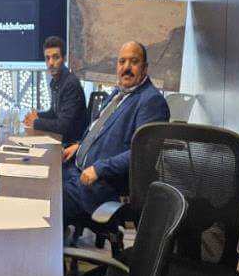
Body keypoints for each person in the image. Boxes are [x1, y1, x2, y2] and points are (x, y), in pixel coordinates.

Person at [62, 41, 170, 226]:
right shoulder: (119, 93)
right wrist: (80, 146)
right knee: (40, 180)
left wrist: (99, 169)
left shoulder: (151, 101)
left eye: (133, 62)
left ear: (144, 68)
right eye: (122, 62)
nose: (126, 67)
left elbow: (144, 154)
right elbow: (99, 129)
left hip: (98, 186)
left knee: (47, 200)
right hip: (76, 170)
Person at [23, 36, 88, 144]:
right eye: (47, 58)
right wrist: (36, 116)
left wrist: (36, 122)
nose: (51, 63)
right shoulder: (56, 81)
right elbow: (54, 113)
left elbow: (64, 126)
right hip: (60, 139)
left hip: (71, 144)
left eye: (55, 57)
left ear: (64, 58)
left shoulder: (71, 84)